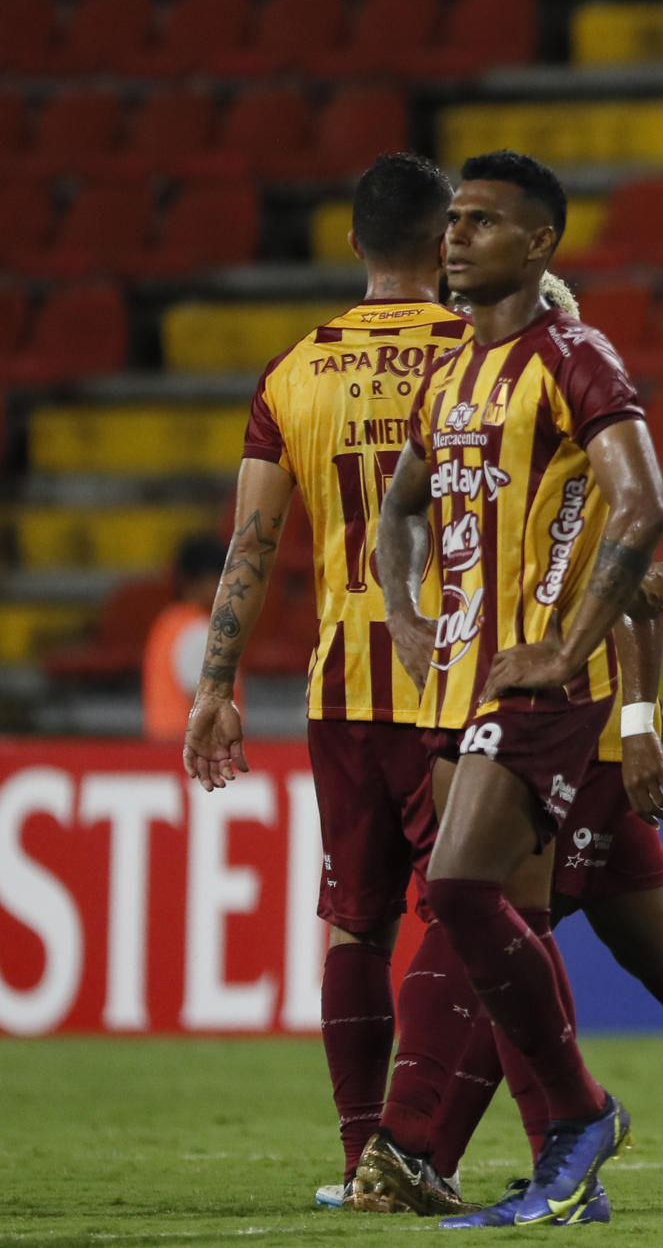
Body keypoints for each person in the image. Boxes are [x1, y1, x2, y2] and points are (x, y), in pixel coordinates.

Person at [420, 281, 663, 1194]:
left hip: (574, 743)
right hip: (556, 732)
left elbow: (639, 592)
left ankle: (448, 1153)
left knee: (503, 936)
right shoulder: (493, 458)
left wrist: (638, 726)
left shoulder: (574, 435)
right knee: (660, 957)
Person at [366, 149, 663, 1229]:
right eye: (453, 219)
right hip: (457, 682)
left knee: (456, 894)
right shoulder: (448, 375)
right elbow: (395, 512)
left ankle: (582, 1119)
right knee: (509, 918)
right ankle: (564, 1166)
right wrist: (403, 612)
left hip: (537, 685)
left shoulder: (576, 357)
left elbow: (644, 508)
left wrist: (565, 644)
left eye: (485, 221)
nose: (456, 237)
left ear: (541, 245)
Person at [180, 152, 470, 1209]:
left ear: (351, 242)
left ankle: (361, 1160)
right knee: (470, 912)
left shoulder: (294, 372)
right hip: (455, 679)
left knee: (357, 919)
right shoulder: (485, 355)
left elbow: (251, 544)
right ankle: (416, 1143)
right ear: (450, 240)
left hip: (340, 684)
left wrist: (218, 684)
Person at [148, 534, 230, 741]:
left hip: (166, 747)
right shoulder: (198, 631)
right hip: (195, 755)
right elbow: (208, 707)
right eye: (219, 579)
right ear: (196, 582)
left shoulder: (169, 622)